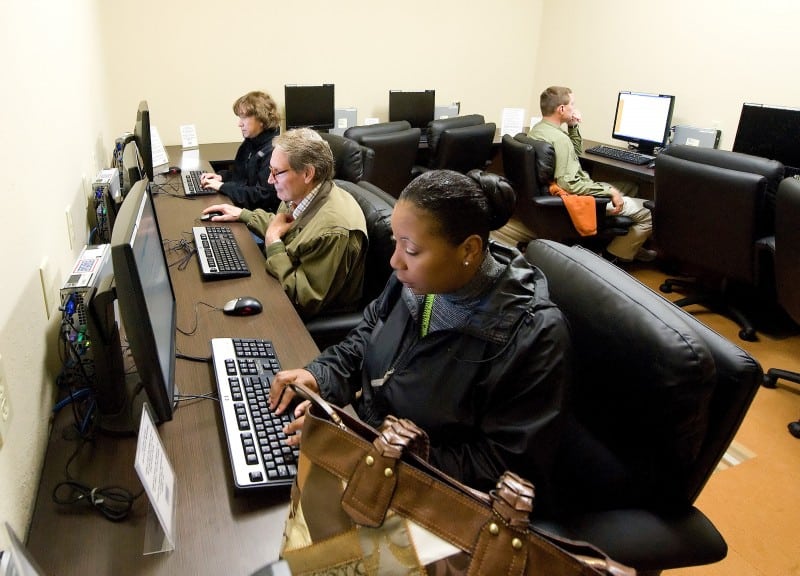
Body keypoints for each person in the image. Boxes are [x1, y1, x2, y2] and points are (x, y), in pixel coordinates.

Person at [268, 169, 571, 512]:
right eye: (396, 242)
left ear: (469, 249)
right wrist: (321, 376)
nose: (395, 260)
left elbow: (504, 469)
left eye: (410, 249)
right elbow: (367, 334)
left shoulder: (533, 333)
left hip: (434, 501)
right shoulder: (414, 283)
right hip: (375, 458)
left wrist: (372, 451)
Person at [202, 128, 368, 320]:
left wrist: (273, 241)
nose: (270, 180)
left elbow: (303, 300)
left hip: (303, 320)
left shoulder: (332, 231)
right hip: (283, 281)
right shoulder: (302, 194)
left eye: (276, 172)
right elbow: (286, 227)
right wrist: (243, 214)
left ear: (307, 173)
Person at [529, 86, 656, 263]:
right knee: (650, 212)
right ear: (562, 109)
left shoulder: (539, 129)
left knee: (631, 186)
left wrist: (573, 126)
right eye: (572, 104)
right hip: (572, 196)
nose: (575, 108)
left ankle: (624, 244)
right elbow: (569, 184)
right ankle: (613, 255)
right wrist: (609, 191)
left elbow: (574, 152)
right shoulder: (559, 139)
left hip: (554, 190)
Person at [199, 91, 281, 212]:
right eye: (239, 117)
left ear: (261, 119)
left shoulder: (273, 151)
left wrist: (223, 187)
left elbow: (262, 196)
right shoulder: (250, 142)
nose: (239, 124)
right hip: (242, 208)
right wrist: (221, 177)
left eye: (244, 117)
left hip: (257, 215)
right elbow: (242, 178)